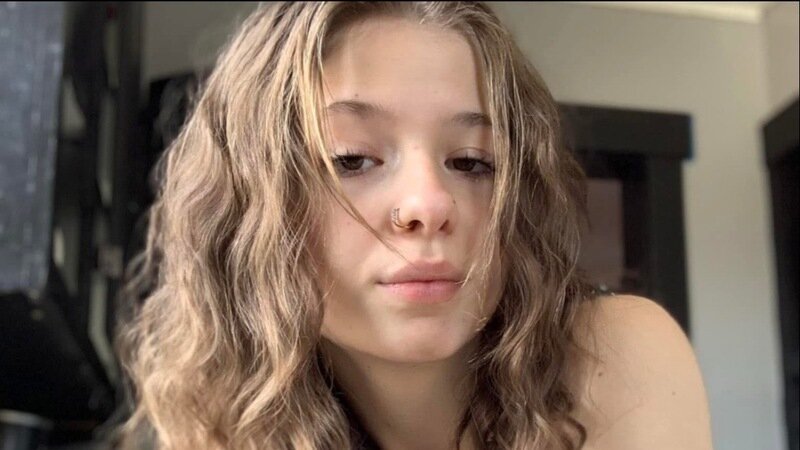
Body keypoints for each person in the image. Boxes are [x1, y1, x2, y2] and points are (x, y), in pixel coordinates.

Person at [114, 2, 713, 449]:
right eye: (351, 159)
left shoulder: (616, 354)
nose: (428, 203)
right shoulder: (217, 423)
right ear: (247, 207)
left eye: (473, 162)